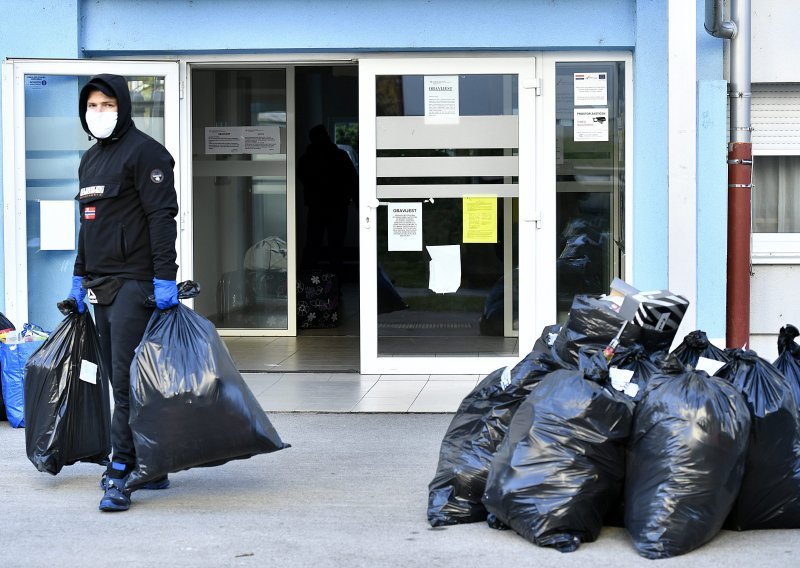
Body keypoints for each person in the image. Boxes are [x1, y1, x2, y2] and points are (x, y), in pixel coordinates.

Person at [66, 74, 179, 512]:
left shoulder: (146, 153)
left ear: (124, 106)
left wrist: (164, 278)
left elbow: (161, 218)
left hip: (136, 283)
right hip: (100, 285)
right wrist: (79, 276)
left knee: (126, 379)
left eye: (108, 104)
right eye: (93, 105)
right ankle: (152, 463)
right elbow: (88, 223)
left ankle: (122, 467)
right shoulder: (90, 160)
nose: (99, 112)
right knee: (121, 379)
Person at [297, 124, 358, 276]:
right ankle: (336, 284)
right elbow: (353, 180)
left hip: (317, 206)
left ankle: (306, 282)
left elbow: (302, 176)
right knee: (336, 246)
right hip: (338, 206)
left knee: (313, 243)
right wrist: (357, 203)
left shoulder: (308, 157)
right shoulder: (340, 155)